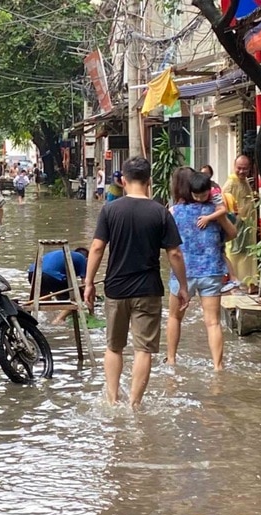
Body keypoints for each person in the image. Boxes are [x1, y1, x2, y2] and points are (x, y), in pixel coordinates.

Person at [84, 157, 189, 409]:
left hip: (116, 288)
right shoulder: (160, 212)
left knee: (114, 346)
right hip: (148, 289)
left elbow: (97, 248)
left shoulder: (110, 210)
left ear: (123, 181)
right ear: (149, 181)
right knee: (143, 349)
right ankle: (134, 404)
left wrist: (88, 282)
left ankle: (112, 399)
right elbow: (174, 253)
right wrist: (183, 286)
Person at [166, 171, 237, 370]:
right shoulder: (216, 210)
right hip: (211, 271)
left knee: (174, 317)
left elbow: (166, 244)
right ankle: (218, 365)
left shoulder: (174, 212)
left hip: (183, 274)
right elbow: (232, 234)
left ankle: (171, 360)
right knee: (213, 322)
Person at [199, 163, 241, 294]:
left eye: (207, 174)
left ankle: (233, 278)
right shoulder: (203, 188)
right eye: (203, 173)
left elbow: (222, 210)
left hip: (220, 225)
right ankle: (228, 279)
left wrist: (208, 218)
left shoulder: (213, 189)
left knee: (221, 252)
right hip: (219, 225)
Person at [221, 156, 258, 293]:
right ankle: (236, 284)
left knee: (247, 256)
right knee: (236, 256)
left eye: (245, 169)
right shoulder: (231, 184)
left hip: (248, 227)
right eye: (239, 168)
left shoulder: (244, 181)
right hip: (238, 227)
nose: (242, 171)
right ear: (234, 166)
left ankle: (249, 283)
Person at [27, 247, 89, 324]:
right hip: (50, 275)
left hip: (32, 273)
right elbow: (86, 285)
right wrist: (91, 309)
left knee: (46, 300)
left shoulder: (65, 255)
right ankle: (59, 319)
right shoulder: (82, 258)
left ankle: (45, 321)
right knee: (79, 296)